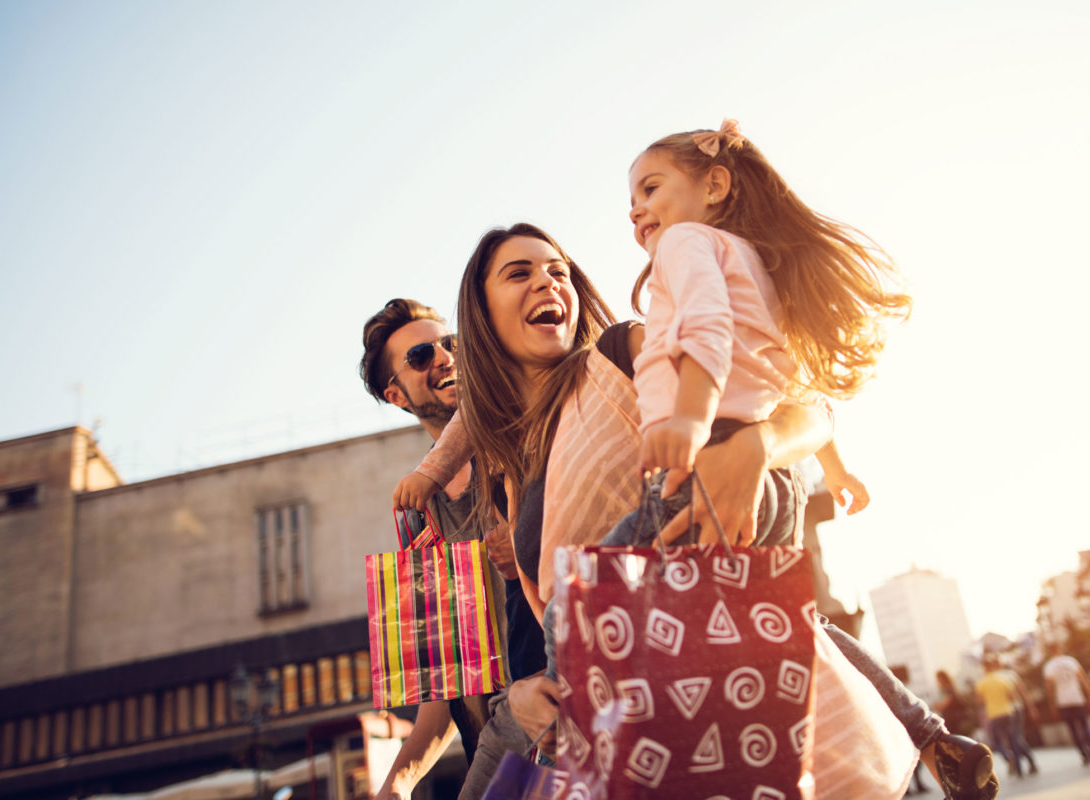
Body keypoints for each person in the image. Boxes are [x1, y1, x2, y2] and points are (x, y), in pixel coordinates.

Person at [397, 210, 992, 798]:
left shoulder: (620, 353)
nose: (548, 283)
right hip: (632, 733)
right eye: (519, 273)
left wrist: (758, 445)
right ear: (482, 315)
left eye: (558, 271)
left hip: (728, 699)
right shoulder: (509, 470)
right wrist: (525, 698)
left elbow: (806, 405)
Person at [360, 298, 536, 800]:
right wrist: (399, 783)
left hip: (562, 717)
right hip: (499, 747)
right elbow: (444, 688)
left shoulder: (522, 444)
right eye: (420, 355)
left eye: (450, 344)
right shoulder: (418, 517)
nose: (444, 356)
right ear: (396, 393)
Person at [976, 652, 1039, 778]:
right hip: (1009, 710)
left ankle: (1019, 764)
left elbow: (979, 702)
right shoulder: (1003, 678)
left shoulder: (995, 678)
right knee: (1014, 739)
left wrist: (1030, 707)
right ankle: (1021, 765)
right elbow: (1012, 695)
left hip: (1006, 712)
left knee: (1013, 739)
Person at [1042, 640, 1090, 764]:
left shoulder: (1049, 666)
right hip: (1077, 698)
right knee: (1084, 726)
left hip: (1063, 702)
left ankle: (1084, 753)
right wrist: (1088, 695)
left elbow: (1049, 688)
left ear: (1050, 652)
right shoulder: (1071, 661)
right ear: (1060, 649)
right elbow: (1083, 679)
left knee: (1073, 729)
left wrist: (1052, 704)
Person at [935, 669, 976, 737]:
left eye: (938, 679)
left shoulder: (949, 690)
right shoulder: (945, 691)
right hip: (952, 722)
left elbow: (943, 705)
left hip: (956, 722)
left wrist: (938, 705)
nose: (937, 682)